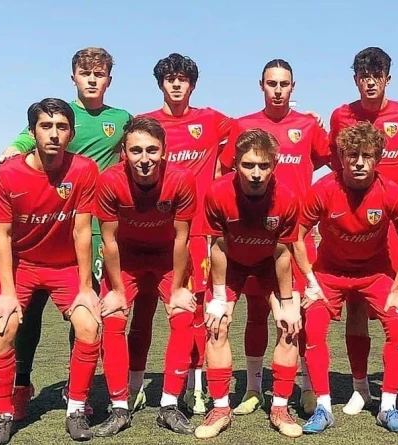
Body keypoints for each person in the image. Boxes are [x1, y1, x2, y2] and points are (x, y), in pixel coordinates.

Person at [0, 47, 131, 421]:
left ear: (109, 80)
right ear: (73, 78)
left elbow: (138, 149)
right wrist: (8, 152)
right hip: (44, 226)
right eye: (86, 73)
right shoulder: (58, 114)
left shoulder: (121, 119)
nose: (92, 80)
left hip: (90, 229)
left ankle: (74, 388)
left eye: (99, 74)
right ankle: (21, 383)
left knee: (85, 314)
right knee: (26, 315)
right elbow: (23, 142)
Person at [216, 58, 329, 416]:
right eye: (271, 83)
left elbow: (329, 160)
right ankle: (253, 389)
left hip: (297, 236)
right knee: (256, 313)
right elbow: (224, 168)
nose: (278, 90)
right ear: (261, 85)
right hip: (254, 237)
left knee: (301, 313)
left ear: (293, 87)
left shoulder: (308, 125)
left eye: (284, 84)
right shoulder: (243, 125)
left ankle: (307, 387)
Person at [0, 98, 101, 444]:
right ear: (32, 132)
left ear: (71, 133)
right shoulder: (8, 173)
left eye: (61, 127)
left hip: (65, 267)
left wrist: (85, 288)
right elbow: (2, 235)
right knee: (3, 328)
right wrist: (7, 294)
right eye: (46, 126)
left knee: (89, 325)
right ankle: (4, 414)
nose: (53, 134)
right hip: (22, 265)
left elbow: (82, 230)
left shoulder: (84, 169)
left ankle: (76, 408)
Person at [295, 121, 398, 434]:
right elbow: (297, 236)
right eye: (352, 155)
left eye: (367, 155)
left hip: (375, 273)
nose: (359, 162)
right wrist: (310, 282)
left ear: (378, 158)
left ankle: (387, 407)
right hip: (329, 274)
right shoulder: (323, 189)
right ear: (341, 157)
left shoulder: (391, 192)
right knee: (313, 326)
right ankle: (323, 408)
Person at [131, 52, 232, 415]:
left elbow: (250, 132)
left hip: (197, 233)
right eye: (170, 79)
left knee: (194, 312)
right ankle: (134, 386)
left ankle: (195, 386)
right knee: (142, 312)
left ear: (192, 85)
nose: (176, 85)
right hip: (151, 234)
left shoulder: (211, 119)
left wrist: (221, 173)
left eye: (183, 79)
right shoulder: (144, 124)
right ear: (161, 84)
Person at [328, 46, 398, 415]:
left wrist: (396, 195)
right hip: (356, 222)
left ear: (388, 78)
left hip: (394, 226)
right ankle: (360, 387)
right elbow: (335, 161)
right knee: (355, 304)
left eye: (377, 75)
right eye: (364, 76)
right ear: (355, 79)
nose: (370, 82)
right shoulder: (341, 116)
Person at [92, 117, 199, 437]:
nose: (144, 158)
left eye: (152, 150)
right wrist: (115, 290)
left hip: (168, 258)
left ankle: (169, 405)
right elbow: (109, 241)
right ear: (124, 153)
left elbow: (182, 239)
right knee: (113, 318)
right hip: (126, 259)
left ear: (164, 151)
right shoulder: (109, 181)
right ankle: (119, 407)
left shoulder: (182, 179)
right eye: (136, 150)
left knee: (182, 315)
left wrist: (178, 289)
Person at [195, 129, 303, 439]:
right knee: (216, 325)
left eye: (264, 166)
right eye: (248, 165)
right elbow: (218, 247)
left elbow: (283, 252)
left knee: (289, 326)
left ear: (274, 165)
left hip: (269, 264)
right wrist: (219, 297)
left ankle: (280, 407)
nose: (256, 173)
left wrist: (287, 303)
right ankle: (220, 409)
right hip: (232, 265)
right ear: (235, 164)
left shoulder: (288, 197)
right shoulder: (217, 193)